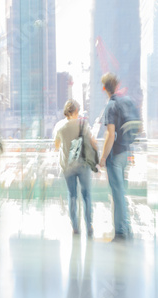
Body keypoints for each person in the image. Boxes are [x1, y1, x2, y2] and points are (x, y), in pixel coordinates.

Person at [54, 99, 98, 236]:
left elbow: (56, 146)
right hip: (83, 165)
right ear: (75, 112)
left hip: (68, 167)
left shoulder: (61, 127)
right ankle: (89, 225)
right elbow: (93, 142)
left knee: (72, 195)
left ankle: (75, 227)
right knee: (86, 195)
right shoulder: (83, 124)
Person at [99, 73, 133, 239]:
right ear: (117, 85)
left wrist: (103, 157)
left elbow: (110, 135)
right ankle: (126, 226)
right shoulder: (126, 102)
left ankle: (120, 230)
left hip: (115, 154)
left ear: (104, 88)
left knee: (117, 193)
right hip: (126, 151)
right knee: (121, 191)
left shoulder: (110, 106)